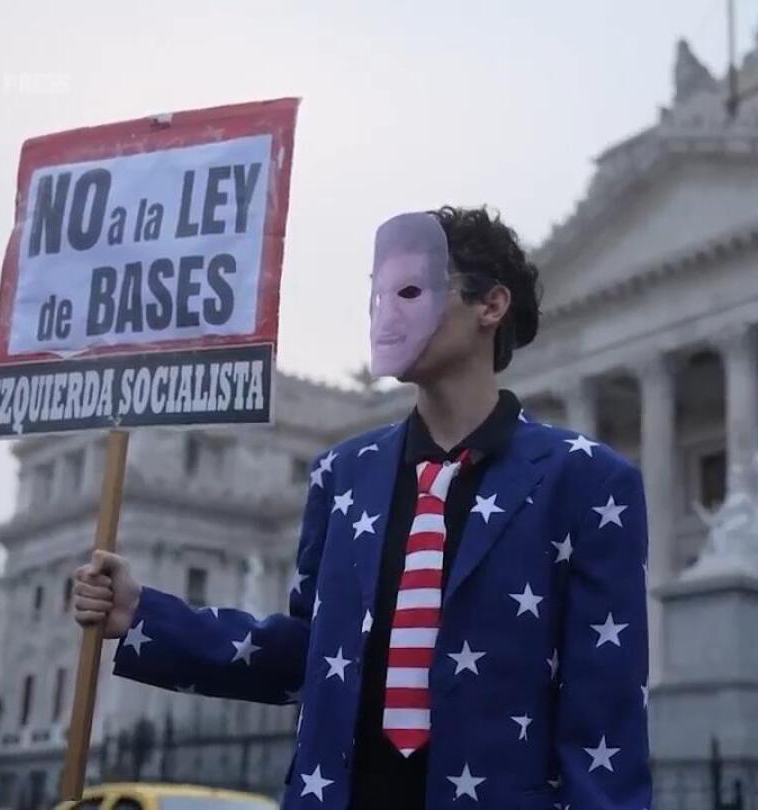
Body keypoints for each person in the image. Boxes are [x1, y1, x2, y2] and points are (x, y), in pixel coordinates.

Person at [74, 207, 651, 809]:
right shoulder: (344, 474)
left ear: (492, 305)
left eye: (410, 290)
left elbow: (604, 713)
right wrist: (144, 615)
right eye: (378, 297)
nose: (386, 314)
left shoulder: (585, 480)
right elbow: (312, 654)